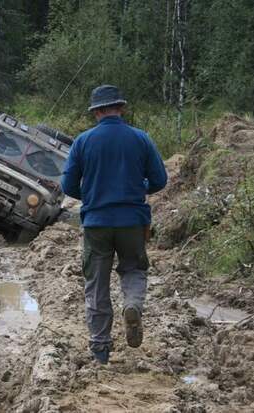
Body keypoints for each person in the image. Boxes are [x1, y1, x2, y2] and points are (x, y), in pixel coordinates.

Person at [61, 85, 167, 365]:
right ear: (121, 107)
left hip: (97, 222)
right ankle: (132, 305)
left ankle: (100, 350)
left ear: (96, 111)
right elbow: (159, 181)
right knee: (133, 268)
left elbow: (67, 185)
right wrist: (137, 187)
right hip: (133, 220)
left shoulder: (83, 142)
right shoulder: (141, 138)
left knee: (97, 283)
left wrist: (94, 195)